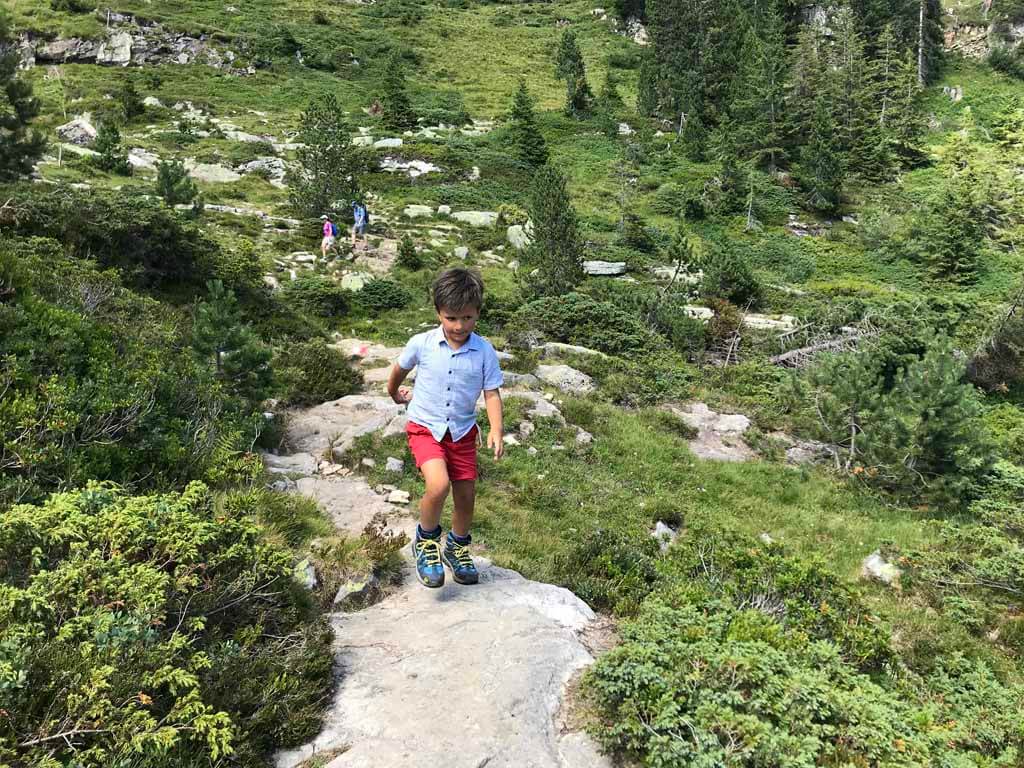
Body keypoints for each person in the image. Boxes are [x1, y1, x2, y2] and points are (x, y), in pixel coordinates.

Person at [387, 267, 504, 588]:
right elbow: (400, 368)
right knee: (438, 485)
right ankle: (425, 544)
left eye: (467, 318)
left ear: (478, 313)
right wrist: (393, 392)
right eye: (451, 318)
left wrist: (495, 429)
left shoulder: (484, 351)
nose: (459, 326)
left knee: (466, 495)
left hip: (463, 434)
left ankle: (456, 547)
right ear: (439, 312)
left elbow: (491, 392)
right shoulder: (422, 343)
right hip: (425, 427)